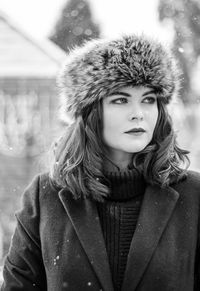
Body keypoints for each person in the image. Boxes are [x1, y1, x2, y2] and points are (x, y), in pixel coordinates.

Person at [1, 34, 200, 291]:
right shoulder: (45, 197)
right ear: (91, 112)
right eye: (121, 100)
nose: (138, 113)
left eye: (149, 99)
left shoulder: (193, 195)